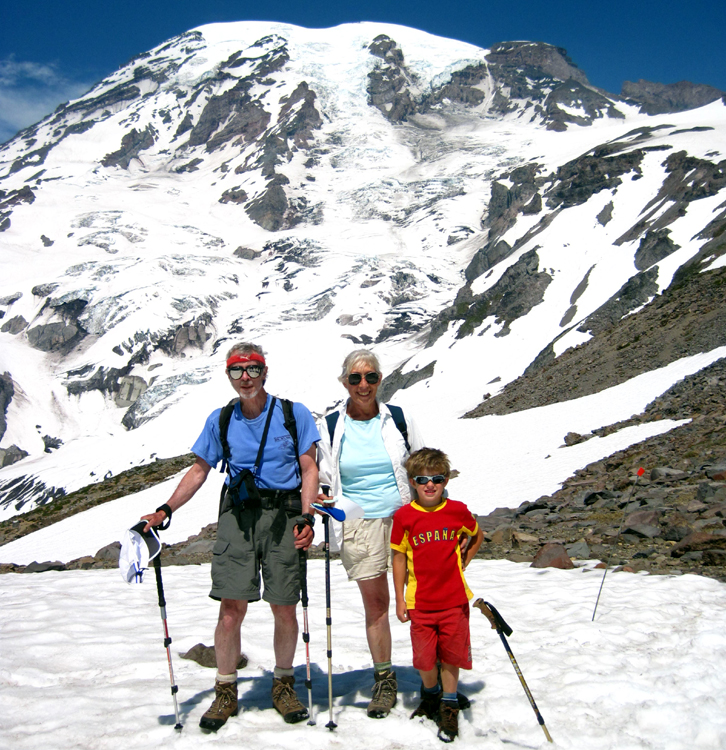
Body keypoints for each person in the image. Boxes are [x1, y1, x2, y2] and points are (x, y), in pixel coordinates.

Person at [141, 342, 320, 731]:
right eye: (237, 370)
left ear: (265, 372)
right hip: (237, 517)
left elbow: (309, 468)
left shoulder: (293, 414)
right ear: (228, 375)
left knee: (284, 605)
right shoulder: (221, 420)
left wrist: (306, 516)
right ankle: (225, 691)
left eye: (253, 369)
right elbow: (199, 470)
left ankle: (283, 684)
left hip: (283, 514)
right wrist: (165, 510)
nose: (245, 378)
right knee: (230, 609)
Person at [316, 349, 424, 718]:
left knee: (421, 599)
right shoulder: (329, 426)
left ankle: (434, 677)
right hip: (357, 523)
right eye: (356, 378)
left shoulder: (399, 419)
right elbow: (325, 477)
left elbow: (424, 466)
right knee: (376, 606)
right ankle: (384, 678)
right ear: (344, 382)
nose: (364, 385)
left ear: (380, 380)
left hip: (405, 519)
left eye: (371, 377)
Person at [391, 447, 484, 743]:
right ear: (412, 482)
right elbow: (398, 558)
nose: (430, 485)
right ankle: (430, 693)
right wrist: (399, 597)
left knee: (452, 655)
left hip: (454, 600)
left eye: (437, 479)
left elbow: (476, 532)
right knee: (424, 659)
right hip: (421, 603)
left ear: (446, 480)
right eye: (422, 479)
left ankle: (450, 704)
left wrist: (465, 558)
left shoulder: (456, 510)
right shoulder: (404, 517)